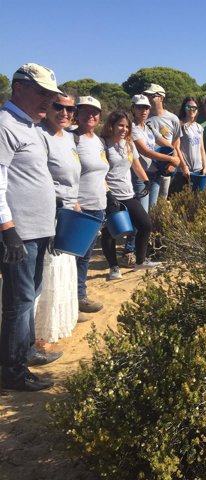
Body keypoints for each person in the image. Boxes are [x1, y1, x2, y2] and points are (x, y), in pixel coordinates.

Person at [0, 63, 61, 391]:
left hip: (38, 229)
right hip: (19, 230)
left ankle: (21, 354)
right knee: (19, 300)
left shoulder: (31, 127)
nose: (47, 101)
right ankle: (12, 371)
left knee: (30, 294)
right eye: (42, 93)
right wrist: (7, 227)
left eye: (51, 96)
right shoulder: (5, 125)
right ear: (18, 88)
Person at [35, 93, 83, 350]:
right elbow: (39, 177)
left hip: (68, 213)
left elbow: (70, 176)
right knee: (47, 271)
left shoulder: (68, 138)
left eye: (70, 108)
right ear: (48, 107)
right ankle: (37, 333)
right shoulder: (40, 135)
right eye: (59, 107)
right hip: (49, 213)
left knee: (64, 268)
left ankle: (58, 324)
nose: (65, 113)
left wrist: (74, 201)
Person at [100, 111, 160, 279]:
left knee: (145, 225)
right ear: (111, 125)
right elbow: (99, 172)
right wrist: (107, 193)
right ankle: (113, 267)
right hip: (110, 194)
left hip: (128, 193)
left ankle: (140, 261)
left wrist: (146, 181)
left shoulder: (129, 144)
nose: (124, 129)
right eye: (120, 125)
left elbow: (136, 165)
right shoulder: (103, 144)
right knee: (111, 231)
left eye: (127, 126)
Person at [122, 94, 179, 266]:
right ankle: (129, 251)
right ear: (133, 108)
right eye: (139, 107)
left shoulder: (147, 127)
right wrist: (169, 159)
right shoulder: (132, 129)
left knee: (150, 215)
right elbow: (145, 151)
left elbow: (164, 142)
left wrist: (174, 152)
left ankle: (143, 252)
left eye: (146, 107)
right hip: (141, 176)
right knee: (141, 216)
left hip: (153, 175)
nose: (144, 110)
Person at [74, 96, 109, 314]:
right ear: (76, 114)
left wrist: (108, 194)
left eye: (95, 112)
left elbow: (100, 171)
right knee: (74, 257)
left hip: (98, 205)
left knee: (85, 256)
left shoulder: (98, 141)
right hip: (79, 208)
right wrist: (74, 202)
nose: (91, 116)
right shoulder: (71, 139)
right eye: (85, 111)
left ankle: (80, 296)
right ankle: (74, 299)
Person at [144, 84, 185, 199]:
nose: (148, 99)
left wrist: (173, 164)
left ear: (161, 98)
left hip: (166, 168)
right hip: (147, 168)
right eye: (146, 95)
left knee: (162, 201)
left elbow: (176, 143)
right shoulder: (143, 117)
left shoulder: (173, 119)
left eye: (151, 96)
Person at [169, 97, 206, 194]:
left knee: (197, 202)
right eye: (188, 107)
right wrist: (184, 166)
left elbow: (202, 149)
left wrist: (205, 167)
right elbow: (176, 147)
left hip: (198, 171)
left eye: (194, 108)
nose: (191, 110)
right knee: (181, 203)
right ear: (184, 109)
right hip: (183, 172)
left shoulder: (199, 127)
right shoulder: (180, 125)